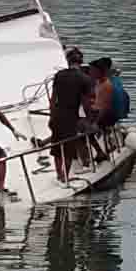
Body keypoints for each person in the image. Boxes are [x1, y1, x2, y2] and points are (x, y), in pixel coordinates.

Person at [49, 47, 94, 182]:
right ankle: (65, 175)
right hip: (71, 116)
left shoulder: (59, 75)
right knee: (69, 149)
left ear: (68, 61)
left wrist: (51, 116)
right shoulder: (84, 79)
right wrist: (89, 120)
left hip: (57, 114)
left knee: (57, 146)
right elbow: (85, 103)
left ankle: (59, 174)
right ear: (80, 62)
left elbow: (53, 99)